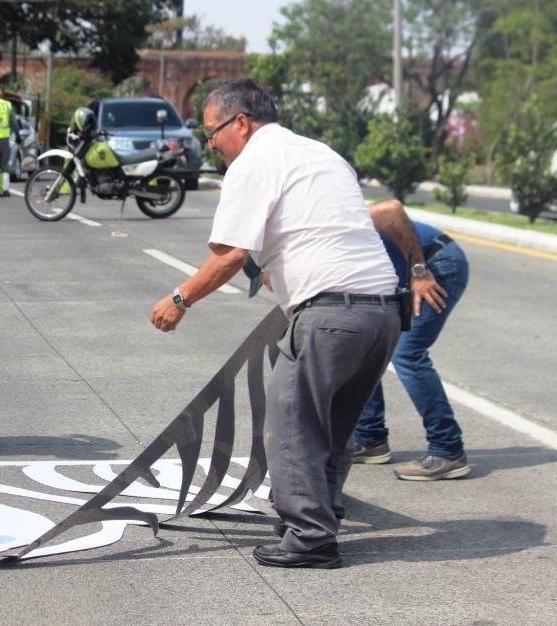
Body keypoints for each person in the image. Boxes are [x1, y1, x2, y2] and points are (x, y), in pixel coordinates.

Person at [149, 79, 401, 569]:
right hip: (381, 312)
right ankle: (318, 517)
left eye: (212, 132)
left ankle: (309, 537)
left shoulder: (253, 162)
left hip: (329, 315)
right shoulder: (321, 154)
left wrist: (178, 299)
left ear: (240, 123)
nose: (211, 144)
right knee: (331, 427)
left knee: (290, 425)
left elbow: (229, 255)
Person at [353, 199, 471, 480]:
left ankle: (448, 449)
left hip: (435, 263)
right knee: (365, 348)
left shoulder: (325, 220)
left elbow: (390, 210)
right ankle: (370, 440)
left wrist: (418, 271)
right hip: (398, 277)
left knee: (407, 354)